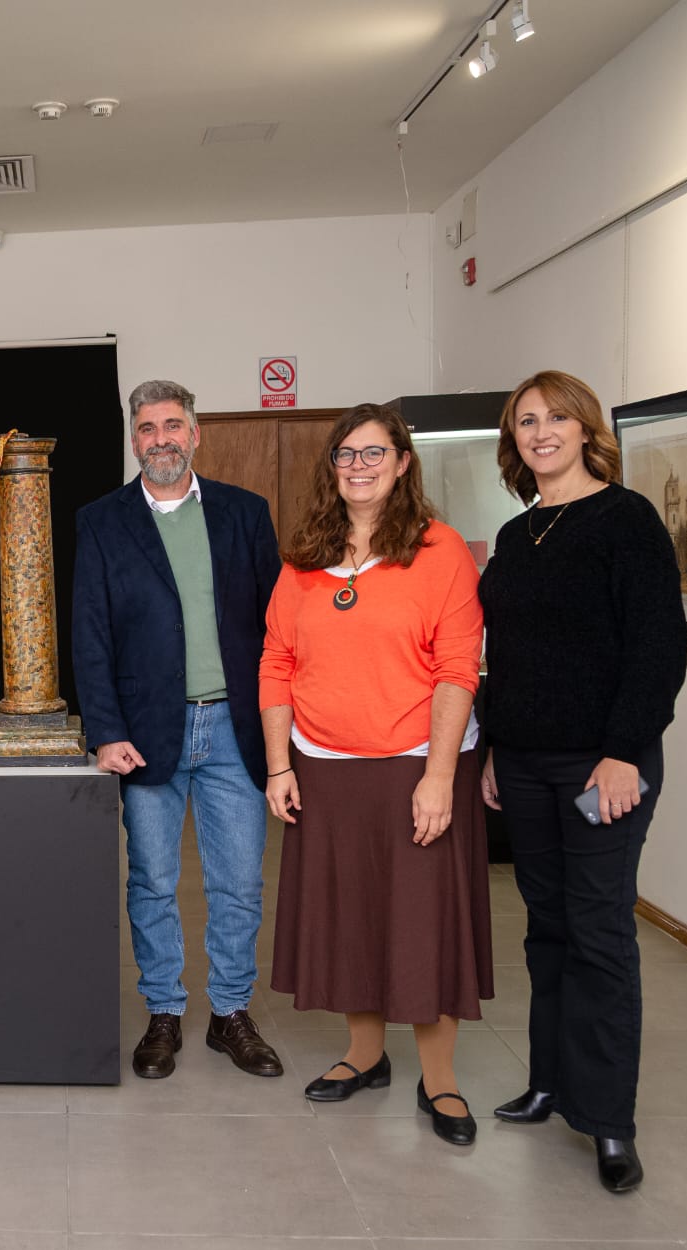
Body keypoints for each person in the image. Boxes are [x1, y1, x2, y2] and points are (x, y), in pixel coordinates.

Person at [258, 403, 490, 1146]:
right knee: (352, 918)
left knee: (424, 924)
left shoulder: (438, 548)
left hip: (413, 766)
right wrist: (279, 763)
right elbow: (276, 662)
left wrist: (439, 774)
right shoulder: (305, 555)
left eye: (373, 453)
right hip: (326, 769)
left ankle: (440, 1077)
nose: (357, 466)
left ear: (402, 462)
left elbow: (458, 669)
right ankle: (364, 1055)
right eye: (345, 455)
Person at [479, 370, 686, 1191]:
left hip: (604, 761)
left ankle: (607, 1120)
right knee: (547, 927)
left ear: (585, 429)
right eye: (526, 421)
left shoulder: (626, 520)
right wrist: (495, 747)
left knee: (600, 934)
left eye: (556, 417)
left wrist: (626, 751)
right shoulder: (514, 533)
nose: (541, 432)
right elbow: (510, 659)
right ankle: (548, 1081)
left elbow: (657, 649)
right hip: (524, 762)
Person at [72, 379, 285, 1082]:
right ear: (134, 440)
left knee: (238, 884)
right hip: (144, 732)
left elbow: (277, 631)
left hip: (234, 728)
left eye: (172, 425)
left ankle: (229, 1012)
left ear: (195, 433)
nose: (159, 438)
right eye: (146, 428)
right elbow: (91, 636)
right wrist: (103, 729)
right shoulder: (101, 521)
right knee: (153, 883)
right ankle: (164, 1011)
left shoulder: (245, 515)